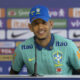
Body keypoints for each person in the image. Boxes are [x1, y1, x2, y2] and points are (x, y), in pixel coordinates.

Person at [10, 5, 80, 76]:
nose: (40, 27)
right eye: (36, 24)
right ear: (30, 27)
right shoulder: (22, 48)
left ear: (51, 24)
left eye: (44, 23)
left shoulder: (68, 45)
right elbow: (12, 75)